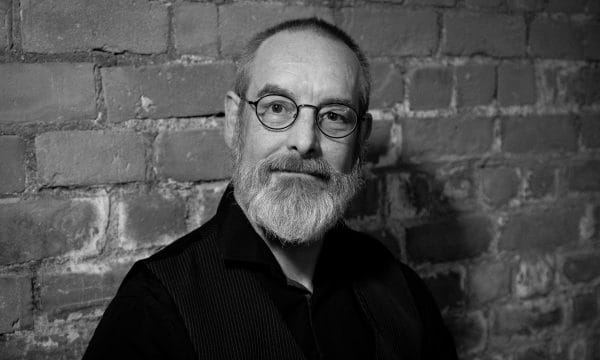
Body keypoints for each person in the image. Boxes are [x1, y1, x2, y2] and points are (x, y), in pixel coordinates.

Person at [83, 18, 458, 360]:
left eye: (334, 116)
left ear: (361, 138)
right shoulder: (155, 308)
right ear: (235, 121)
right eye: (277, 107)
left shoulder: (399, 287)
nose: (304, 141)